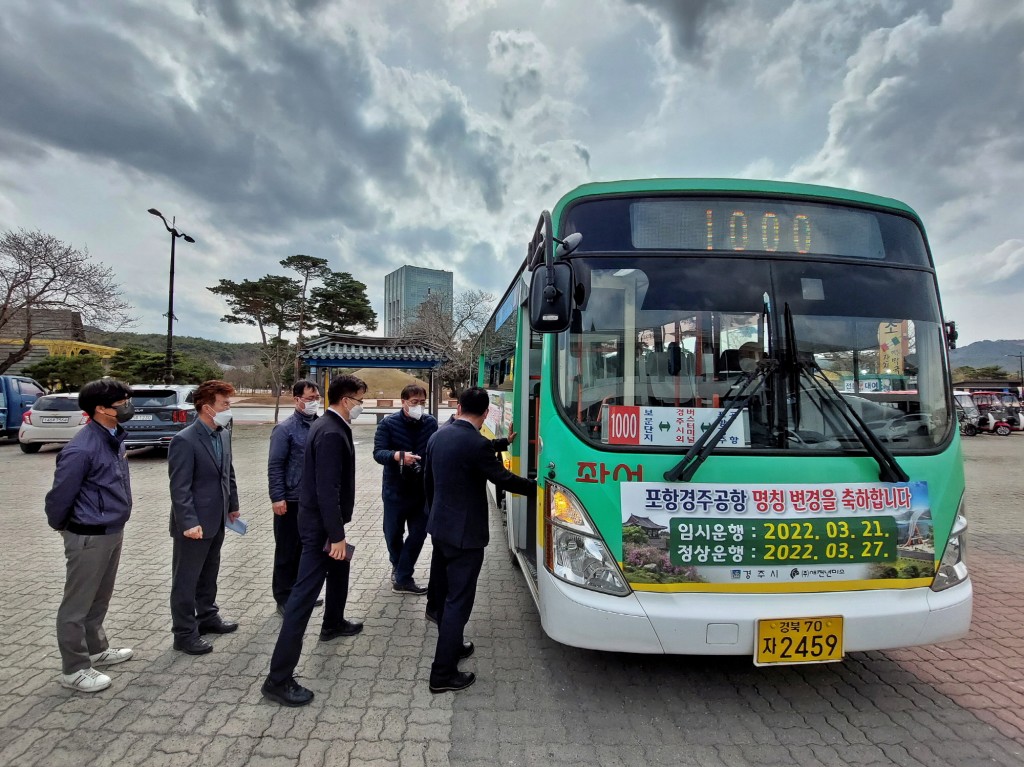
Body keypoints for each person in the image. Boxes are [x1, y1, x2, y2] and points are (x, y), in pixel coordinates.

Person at [262, 374, 367, 707]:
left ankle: (333, 622)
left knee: (341, 566)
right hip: (321, 528)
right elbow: (327, 489)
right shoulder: (332, 432)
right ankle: (278, 679)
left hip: (321, 522)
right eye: (360, 400)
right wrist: (336, 535)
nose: (361, 406)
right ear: (346, 400)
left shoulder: (325, 425)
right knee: (302, 599)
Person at [423, 387, 536, 693]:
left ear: (458, 408)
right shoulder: (476, 444)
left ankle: (454, 645)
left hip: (441, 529)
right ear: (486, 413)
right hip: (465, 536)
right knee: (459, 601)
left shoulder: (439, 435)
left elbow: (429, 483)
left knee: (447, 596)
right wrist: (539, 489)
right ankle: (442, 674)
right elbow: (503, 478)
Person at [45, 379, 136, 693]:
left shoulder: (114, 437)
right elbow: (59, 497)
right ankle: (74, 668)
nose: (128, 405)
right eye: (122, 401)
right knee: (77, 605)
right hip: (88, 536)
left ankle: (96, 649)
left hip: (112, 530)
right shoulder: (81, 448)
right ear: (100, 408)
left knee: (100, 597)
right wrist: (65, 528)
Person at [168, 380, 241, 655]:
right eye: (225, 404)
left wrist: (232, 504)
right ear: (207, 407)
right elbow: (179, 487)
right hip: (194, 525)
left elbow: (227, 472)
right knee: (186, 580)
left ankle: (208, 617)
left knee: (209, 573)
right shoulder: (184, 440)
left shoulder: (221, 433)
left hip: (217, 518)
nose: (228, 409)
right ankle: (184, 634)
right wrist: (188, 523)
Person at [372, 383, 437, 594]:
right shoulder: (388, 424)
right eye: (414, 402)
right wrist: (398, 456)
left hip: (422, 490)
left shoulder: (430, 423)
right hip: (395, 490)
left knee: (418, 534)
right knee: (393, 533)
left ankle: (403, 576)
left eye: (422, 402)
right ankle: (398, 565)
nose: (419, 406)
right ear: (403, 402)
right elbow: (378, 453)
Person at [268, 379, 324, 614]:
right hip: (290, 499)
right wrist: (277, 497)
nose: (313, 403)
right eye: (309, 399)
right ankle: (283, 596)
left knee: (307, 550)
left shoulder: (321, 425)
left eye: (316, 398)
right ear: (297, 399)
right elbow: (275, 465)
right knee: (287, 551)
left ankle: (302, 593)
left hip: (314, 499)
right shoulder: (285, 429)